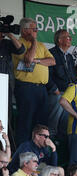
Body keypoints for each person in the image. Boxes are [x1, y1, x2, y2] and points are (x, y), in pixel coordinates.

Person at [12, 17, 56, 146]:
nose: (36, 31)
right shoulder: (18, 43)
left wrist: (37, 61)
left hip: (41, 89)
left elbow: (52, 61)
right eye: (34, 29)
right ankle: (23, 153)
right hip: (26, 87)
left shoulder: (42, 45)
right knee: (26, 121)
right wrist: (34, 42)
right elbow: (28, 59)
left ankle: (39, 153)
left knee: (41, 123)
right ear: (25, 30)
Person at [47, 29, 76, 139]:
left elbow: (73, 76)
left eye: (70, 37)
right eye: (67, 37)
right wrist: (55, 89)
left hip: (68, 94)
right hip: (57, 93)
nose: (70, 39)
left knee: (65, 124)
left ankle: (60, 145)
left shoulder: (69, 57)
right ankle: (50, 142)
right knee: (53, 124)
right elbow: (47, 75)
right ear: (59, 40)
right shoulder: (51, 53)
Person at [0, 29, 25, 128]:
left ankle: (4, 139)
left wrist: (9, 34)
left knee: (5, 112)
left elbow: (21, 50)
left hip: (4, 84)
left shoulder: (6, 44)